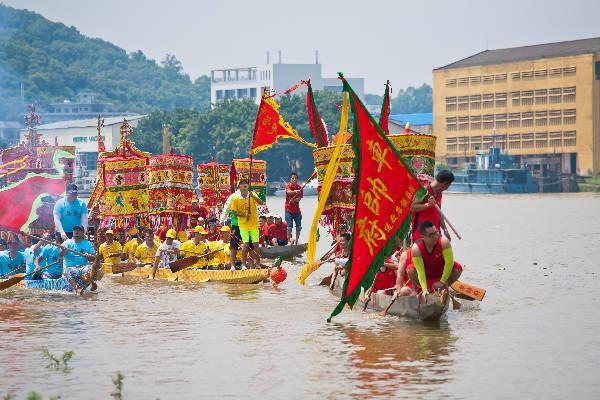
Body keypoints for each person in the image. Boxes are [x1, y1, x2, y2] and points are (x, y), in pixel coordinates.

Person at [406, 221, 463, 296]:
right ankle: (427, 289)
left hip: (442, 273)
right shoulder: (416, 248)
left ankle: (445, 286)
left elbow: (449, 263)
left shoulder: (444, 242)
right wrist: (425, 289)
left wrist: (442, 282)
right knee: (410, 270)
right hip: (427, 275)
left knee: (458, 268)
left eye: (436, 233)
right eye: (431, 235)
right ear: (422, 237)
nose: (435, 236)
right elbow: (420, 271)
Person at [229, 179, 264, 270]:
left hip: (254, 224)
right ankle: (244, 265)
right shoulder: (236, 198)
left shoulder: (252, 194)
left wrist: (254, 197)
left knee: (256, 244)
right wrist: (245, 215)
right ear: (239, 187)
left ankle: (257, 264)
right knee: (245, 244)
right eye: (242, 184)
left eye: (246, 184)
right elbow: (234, 212)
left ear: (248, 186)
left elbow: (261, 203)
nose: (244, 186)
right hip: (243, 225)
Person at [410, 170, 454, 241]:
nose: (447, 188)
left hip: (436, 234)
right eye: (448, 185)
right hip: (421, 235)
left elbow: (439, 213)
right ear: (445, 184)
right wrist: (428, 205)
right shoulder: (424, 190)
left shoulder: (439, 193)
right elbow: (412, 207)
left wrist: (445, 230)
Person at [61, 225, 95, 295]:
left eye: (79, 230)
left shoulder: (88, 244)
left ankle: (90, 283)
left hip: (82, 267)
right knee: (68, 270)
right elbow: (60, 255)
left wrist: (89, 256)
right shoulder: (67, 242)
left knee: (91, 268)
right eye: (75, 230)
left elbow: (94, 258)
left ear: (83, 233)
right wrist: (63, 251)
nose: (76, 232)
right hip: (70, 267)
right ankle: (77, 289)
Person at [221, 188, 242, 271]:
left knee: (247, 245)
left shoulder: (250, 195)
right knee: (234, 245)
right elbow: (226, 207)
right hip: (236, 224)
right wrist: (222, 219)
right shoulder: (233, 196)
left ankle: (247, 266)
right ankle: (232, 265)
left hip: (246, 225)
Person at [285, 172, 303, 245]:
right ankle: (289, 241)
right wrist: (295, 191)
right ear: (290, 179)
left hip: (297, 210)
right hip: (288, 210)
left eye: (295, 178)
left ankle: (297, 241)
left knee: (298, 227)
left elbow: (299, 198)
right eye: (293, 178)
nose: (294, 179)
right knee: (289, 227)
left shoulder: (300, 187)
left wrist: (295, 200)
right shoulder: (288, 186)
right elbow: (288, 192)